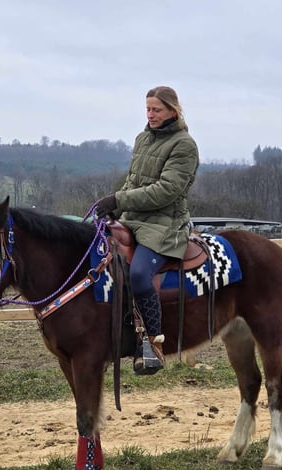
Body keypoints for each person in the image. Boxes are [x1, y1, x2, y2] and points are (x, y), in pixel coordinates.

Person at [95, 86, 199, 374]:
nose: (150, 115)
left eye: (157, 110)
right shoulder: (142, 139)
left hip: (164, 223)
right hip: (132, 218)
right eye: (148, 109)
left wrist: (119, 200)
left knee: (139, 274)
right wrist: (113, 208)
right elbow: (133, 182)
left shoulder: (184, 145)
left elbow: (166, 191)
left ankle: (153, 344)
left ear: (173, 111)